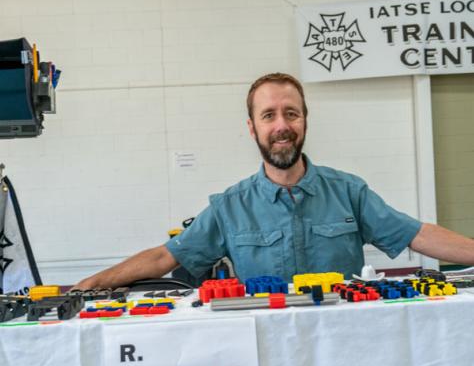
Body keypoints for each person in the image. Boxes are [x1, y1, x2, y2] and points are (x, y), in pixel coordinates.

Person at [75, 72, 474, 289]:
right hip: (264, 348)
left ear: (304, 120)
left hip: (347, 341)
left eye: (291, 113)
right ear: (252, 128)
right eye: (269, 115)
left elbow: (416, 234)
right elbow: (166, 257)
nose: (281, 125)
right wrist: (88, 284)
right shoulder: (229, 206)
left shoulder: (349, 192)